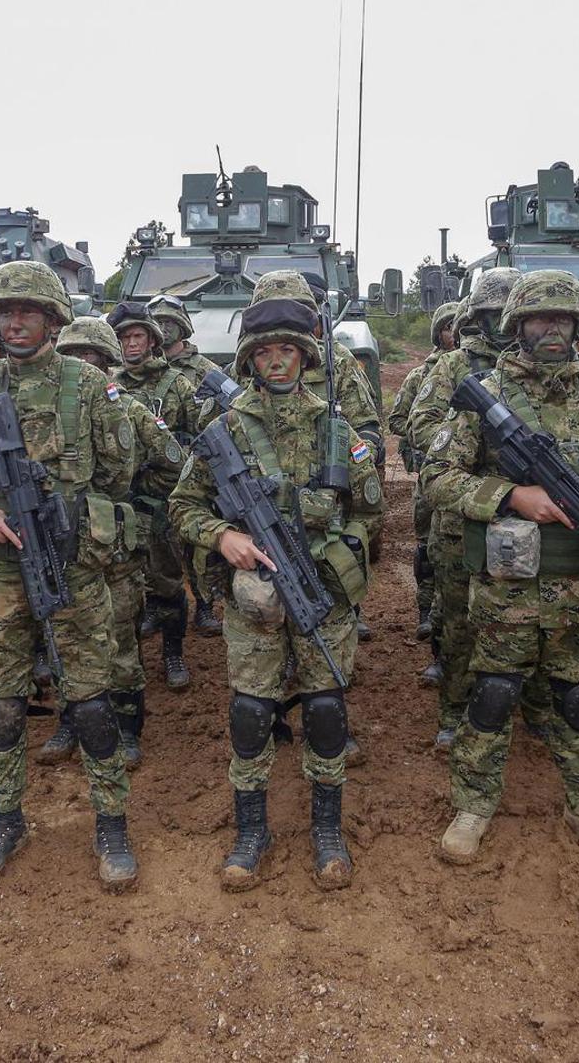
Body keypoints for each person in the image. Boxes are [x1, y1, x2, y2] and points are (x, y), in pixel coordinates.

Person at [424, 270, 579, 869]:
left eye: (562, 319)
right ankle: (473, 805)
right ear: (517, 326)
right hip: (506, 584)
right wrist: (511, 496)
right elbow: (436, 476)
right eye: (538, 319)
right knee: (493, 693)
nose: (551, 329)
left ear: (578, 325)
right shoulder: (488, 393)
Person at [0, 260, 140, 892]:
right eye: (5, 313)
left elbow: (121, 476)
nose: (15, 323)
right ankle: (5, 819)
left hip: (73, 569)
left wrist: (77, 519)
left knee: (92, 700)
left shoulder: (90, 386)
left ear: (52, 319)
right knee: (0, 701)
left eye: (27, 312)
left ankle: (111, 822)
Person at [168, 284, 381, 891]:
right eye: (264, 353)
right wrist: (223, 538)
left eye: (287, 350)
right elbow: (183, 506)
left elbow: (369, 511)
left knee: (325, 707)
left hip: (321, 595)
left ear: (305, 355)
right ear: (250, 361)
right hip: (255, 599)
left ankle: (327, 829)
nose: (277, 362)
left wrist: (337, 551)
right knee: (251, 712)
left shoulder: (336, 427)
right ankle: (252, 830)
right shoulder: (226, 429)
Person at [56, 316, 184, 769]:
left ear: (106, 360)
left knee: (119, 635)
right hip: (60, 543)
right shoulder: (44, 410)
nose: (80, 363)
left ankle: (128, 727)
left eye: (89, 355)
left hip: (113, 547)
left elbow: (174, 463)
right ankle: (71, 718)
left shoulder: (126, 407)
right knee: (63, 635)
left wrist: (135, 503)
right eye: (72, 355)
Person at [407, 270, 524, 749]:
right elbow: (420, 426)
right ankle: (455, 711)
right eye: (493, 316)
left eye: (509, 316)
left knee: (525, 618)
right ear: (479, 318)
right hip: (464, 516)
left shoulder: (551, 369)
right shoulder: (455, 366)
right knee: (459, 622)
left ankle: (521, 706)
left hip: (532, 518)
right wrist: (475, 436)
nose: (503, 326)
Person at [107, 301, 200, 692]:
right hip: (118, 502)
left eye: (138, 336)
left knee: (167, 580)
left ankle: (173, 653)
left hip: (161, 500)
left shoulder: (176, 384)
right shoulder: (105, 384)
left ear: (152, 341)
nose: (131, 344)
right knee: (122, 585)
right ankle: (131, 663)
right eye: (124, 337)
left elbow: (199, 440)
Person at [387, 300, 461, 675]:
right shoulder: (423, 376)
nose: (453, 333)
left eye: (458, 326)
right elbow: (398, 419)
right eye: (447, 327)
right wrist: (436, 440)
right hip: (434, 476)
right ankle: (426, 611)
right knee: (428, 548)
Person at [149, 294, 225, 635]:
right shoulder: (145, 368)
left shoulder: (206, 370)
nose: (163, 329)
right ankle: (158, 603)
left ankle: (205, 604)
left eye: (170, 322)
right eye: (158, 323)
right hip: (155, 470)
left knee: (197, 541)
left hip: (196, 462)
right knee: (156, 540)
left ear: (183, 328)